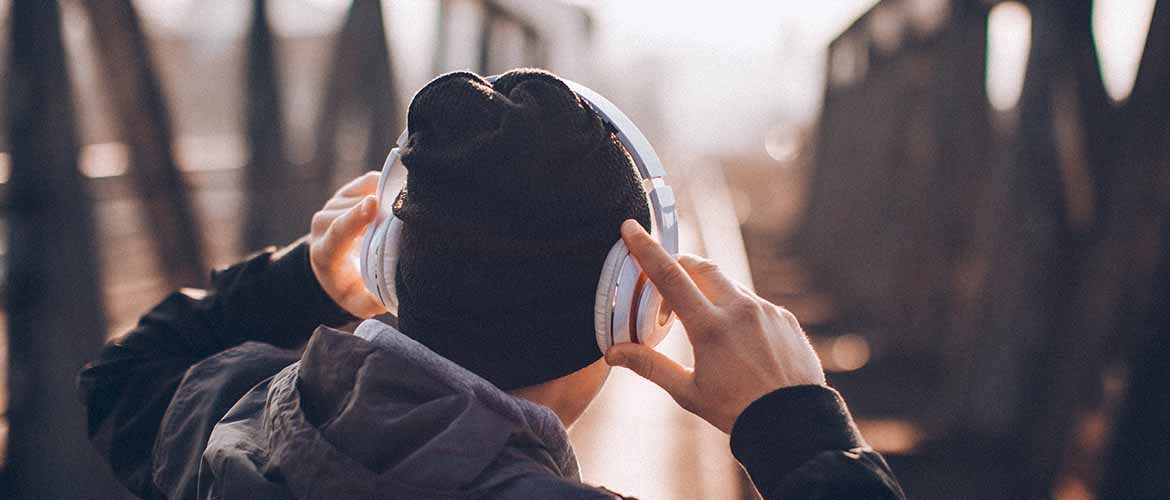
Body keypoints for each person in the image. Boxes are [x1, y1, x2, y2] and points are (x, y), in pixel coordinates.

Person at [78, 69, 906, 499]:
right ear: (630, 304)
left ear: (388, 265)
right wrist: (802, 434)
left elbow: (120, 377)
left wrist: (296, 283)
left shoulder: (237, 417)